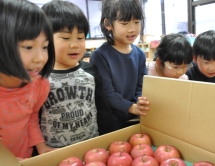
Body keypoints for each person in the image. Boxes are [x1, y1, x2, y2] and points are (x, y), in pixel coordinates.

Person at [40, 0, 114, 148]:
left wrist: (109, 140)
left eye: (80, 37)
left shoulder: (89, 71)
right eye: (66, 38)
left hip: (92, 147)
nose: (75, 44)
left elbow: (103, 109)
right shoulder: (39, 77)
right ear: (44, 39)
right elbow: (31, 119)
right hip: (54, 152)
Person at [0, 0, 56, 160]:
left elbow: (31, 117)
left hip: (24, 157)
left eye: (45, 47)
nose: (40, 58)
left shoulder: (40, 85)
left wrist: (41, 146)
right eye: (28, 47)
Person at [90, 0, 150, 130]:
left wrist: (138, 103)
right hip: (111, 121)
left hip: (135, 116)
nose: (132, 29)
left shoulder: (139, 54)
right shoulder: (100, 56)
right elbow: (107, 92)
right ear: (108, 24)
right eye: (124, 23)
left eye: (137, 22)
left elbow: (142, 84)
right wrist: (131, 107)